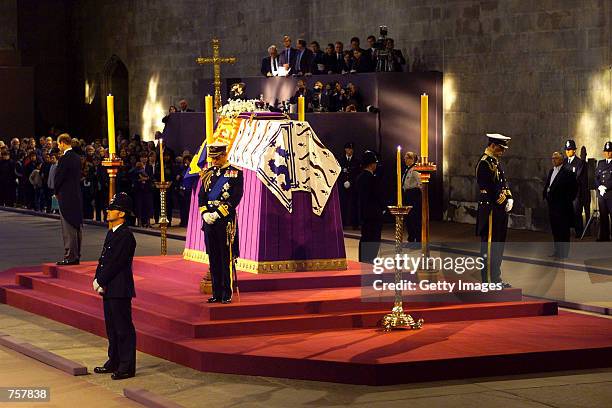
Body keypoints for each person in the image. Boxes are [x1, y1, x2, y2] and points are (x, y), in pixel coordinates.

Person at [93, 192, 137, 380]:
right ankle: (114, 360)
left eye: (112, 209)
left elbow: (116, 263)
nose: (108, 211)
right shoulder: (113, 233)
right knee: (112, 327)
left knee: (123, 328)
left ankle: (127, 365)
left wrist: (100, 280)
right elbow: (103, 259)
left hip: (119, 287)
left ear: (122, 213)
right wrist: (98, 278)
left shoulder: (125, 235)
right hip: (110, 287)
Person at [198, 141, 243, 304]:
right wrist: (205, 214)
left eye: (217, 158)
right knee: (214, 257)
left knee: (225, 257)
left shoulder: (235, 173)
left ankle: (226, 293)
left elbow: (235, 198)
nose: (214, 161)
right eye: (213, 158)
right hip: (209, 221)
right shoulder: (208, 173)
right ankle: (216, 292)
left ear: (224, 155)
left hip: (224, 221)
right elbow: (201, 197)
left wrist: (217, 214)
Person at [475, 133, 513, 286]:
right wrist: (502, 198)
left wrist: (509, 196)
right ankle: (489, 280)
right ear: (492, 146)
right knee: (490, 247)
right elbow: (487, 186)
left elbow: (503, 182)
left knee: (498, 246)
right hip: (491, 209)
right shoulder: (485, 163)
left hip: (499, 210)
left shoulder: (495, 161)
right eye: (500, 148)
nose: (502, 151)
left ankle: (496, 278)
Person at [54, 133, 83, 266]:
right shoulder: (77, 158)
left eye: (58, 143)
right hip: (76, 194)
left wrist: (55, 191)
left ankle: (70, 256)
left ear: (63, 143)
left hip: (66, 195)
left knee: (68, 226)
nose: (58, 146)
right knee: (76, 225)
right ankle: (76, 255)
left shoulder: (65, 158)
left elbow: (59, 177)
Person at [544, 151, 578, 259]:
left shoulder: (568, 173)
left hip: (563, 207)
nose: (554, 160)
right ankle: (557, 251)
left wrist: (566, 201)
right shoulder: (551, 171)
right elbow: (548, 185)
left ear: (561, 160)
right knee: (555, 230)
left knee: (563, 231)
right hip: (552, 207)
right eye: (553, 158)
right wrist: (545, 194)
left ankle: (564, 253)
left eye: (556, 158)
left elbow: (574, 189)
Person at [357, 150, 385, 263]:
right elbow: (378, 195)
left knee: (365, 237)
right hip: (374, 214)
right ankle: (370, 261)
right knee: (373, 239)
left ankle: (363, 260)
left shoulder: (359, 178)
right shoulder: (372, 179)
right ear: (372, 164)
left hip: (364, 213)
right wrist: (383, 208)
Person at [563, 139, 588, 237]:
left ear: (574, 150)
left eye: (570, 149)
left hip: (575, 193)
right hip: (565, 192)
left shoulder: (579, 162)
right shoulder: (564, 162)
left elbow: (577, 177)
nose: (567, 151)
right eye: (566, 149)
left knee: (576, 212)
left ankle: (579, 232)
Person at [338, 142, 360, 230]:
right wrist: (344, 181)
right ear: (345, 149)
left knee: (354, 205)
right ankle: (342, 223)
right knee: (343, 205)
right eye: (348, 148)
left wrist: (351, 182)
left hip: (353, 186)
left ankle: (355, 223)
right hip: (343, 186)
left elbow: (357, 174)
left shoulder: (356, 161)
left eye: (351, 149)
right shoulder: (341, 160)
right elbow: (339, 173)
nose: (350, 150)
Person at [402, 151, 422, 245]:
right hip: (408, 194)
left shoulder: (415, 170)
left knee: (415, 218)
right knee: (409, 218)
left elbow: (420, 184)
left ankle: (417, 239)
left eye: (407, 158)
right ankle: (411, 237)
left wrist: (420, 197)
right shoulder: (408, 169)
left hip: (414, 194)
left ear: (412, 159)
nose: (405, 160)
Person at [595, 141, 612, 241]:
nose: (608, 153)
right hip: (602, 195)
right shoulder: (600, 163)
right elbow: (596, 177)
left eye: (610, 151)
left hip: (610, 194)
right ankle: (604, 237)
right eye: (606, 151)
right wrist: (599, 186)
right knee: (603, 217)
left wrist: (606, 187)